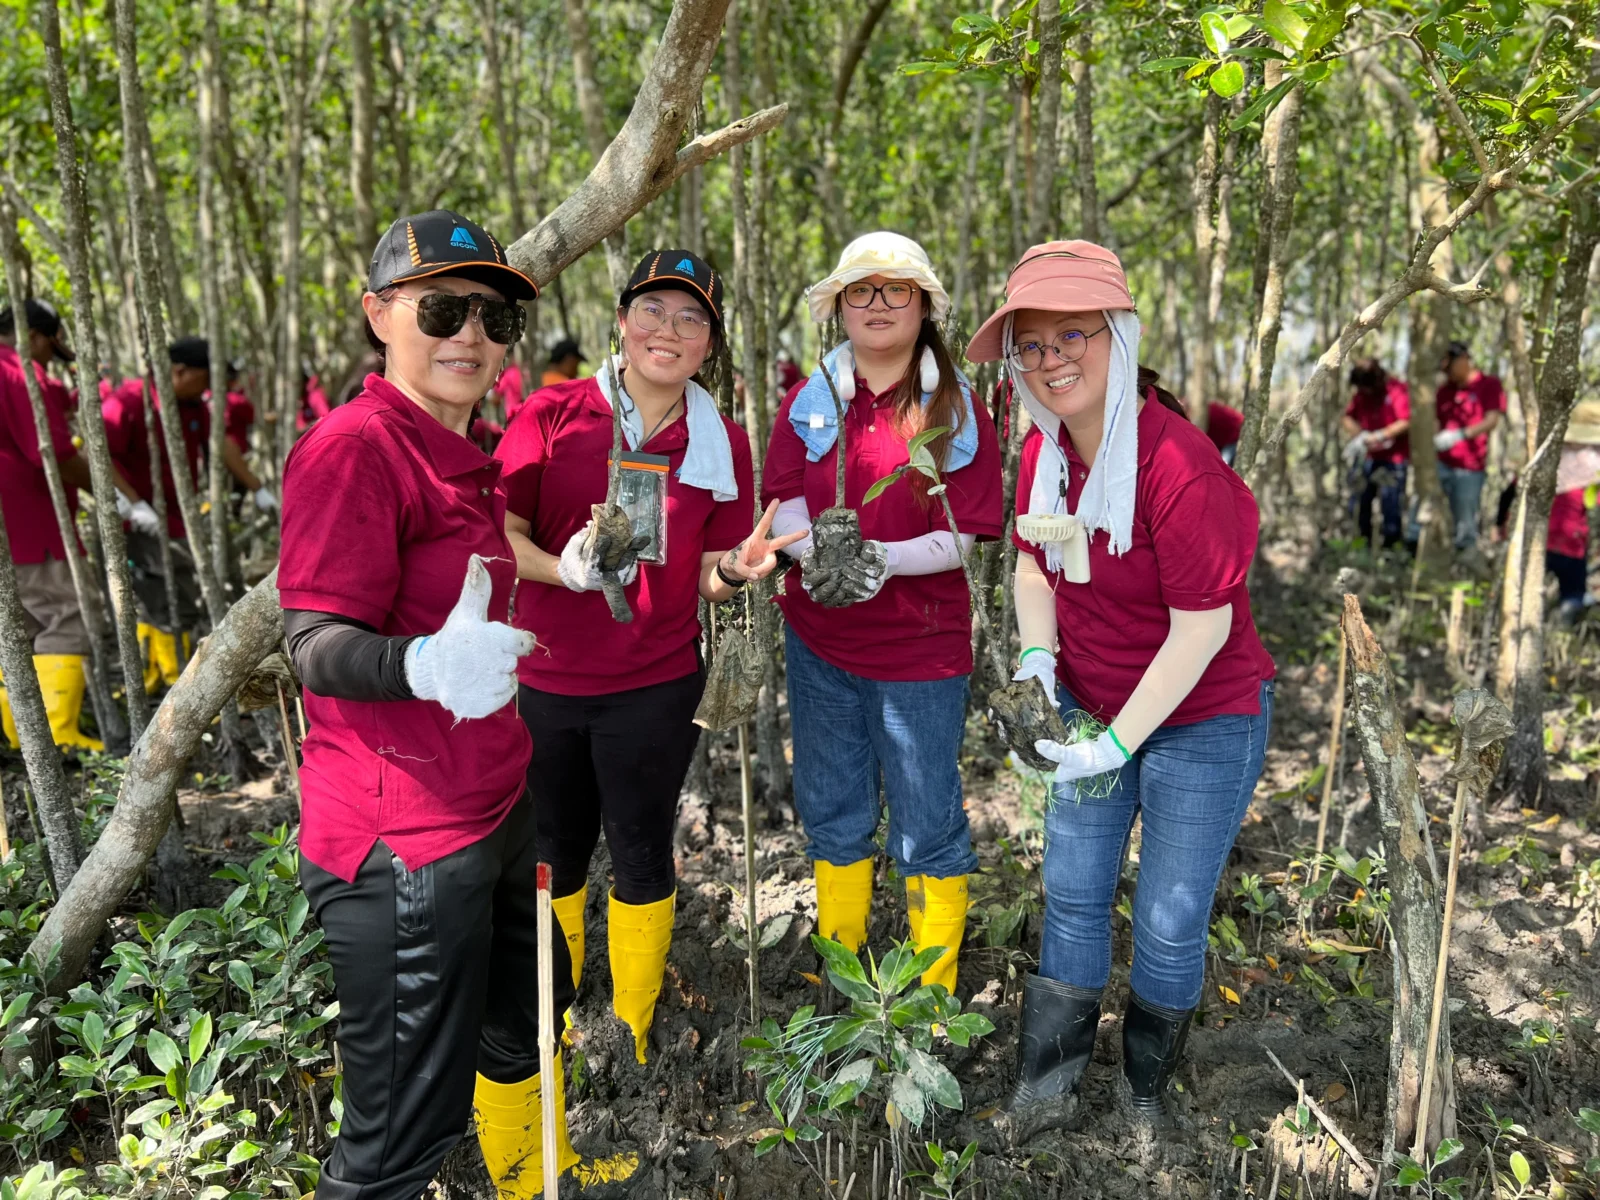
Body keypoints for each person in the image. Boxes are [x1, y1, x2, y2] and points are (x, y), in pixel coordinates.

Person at [280, 209, 636, 1200]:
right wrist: (424, 668)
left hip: (494, 803)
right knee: (399, 1136)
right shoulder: (354, 449)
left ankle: (528, 1175)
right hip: (404, 843)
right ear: (378, 316)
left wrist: (562, 568)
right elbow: (313, 644)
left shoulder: (457, 451)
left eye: (493, 319)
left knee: (524, 1020)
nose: (470, 336)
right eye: (442, 311)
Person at [967, 241, 1275, 1124]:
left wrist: (1112, 743)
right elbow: (1032, 563)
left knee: (1173, 915)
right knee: (1073, 886)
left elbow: (1203, 627)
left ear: (1119, 336)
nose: (1050, 359)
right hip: (1094, 704)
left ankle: (1145, 1097)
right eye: (1031, 344)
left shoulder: (1178, 466)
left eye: (1072, 335)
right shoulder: (1045, 451)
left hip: (1202, 718)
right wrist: (1038, 665)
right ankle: (1049, 1085)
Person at [496, 249, 799, 1065]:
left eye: (691, 317)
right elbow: (500, 534)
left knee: (639, 847)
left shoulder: (720, 439)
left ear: (710, 342)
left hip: (655, 685)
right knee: (551, 849)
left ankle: (631, 1025)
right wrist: (564, 566)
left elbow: (707, 567)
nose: (669, 330)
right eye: (653, 311)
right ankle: (552, 1017)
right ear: (622, 321)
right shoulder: (552, 413)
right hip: (543, 679)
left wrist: (734, 571)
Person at [763, 232, 1004, 992]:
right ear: (837, 307)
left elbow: (966, 531)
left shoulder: (954, 406)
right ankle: (845, 979)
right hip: (820, 639)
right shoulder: (811, 397)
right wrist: (815, 559)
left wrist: (884, 562)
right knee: (833, 808)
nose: (876, 305)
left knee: (928, 821)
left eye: (895, 291)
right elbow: (783, 496)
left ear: (924, 305)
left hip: (919, 652)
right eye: (860, 291)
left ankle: (931, 998)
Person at [0, 299, 137, 750]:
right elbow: (52, 451)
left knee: (17, 624)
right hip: (29, 522)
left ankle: (18, 733)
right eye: (45, 351)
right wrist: (112, 494)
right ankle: (55, 736)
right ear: (35, 336)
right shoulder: (20, 373)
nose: (45, 364)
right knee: (67, 613)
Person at [103, 337, 278, 689]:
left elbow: (220, 443)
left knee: (174, 588)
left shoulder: (194, 405)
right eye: (205, 379)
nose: (210, 389)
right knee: (164, 591)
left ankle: (161, 673)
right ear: (179, 372)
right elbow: (100, 453)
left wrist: (258, 488)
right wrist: (132, 502)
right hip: (138, 518)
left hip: (176, 515)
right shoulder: (128, 402)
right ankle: (170, 679)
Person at [1430, 340, 1506, 550]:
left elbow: (1492, 420)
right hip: (1442, 463)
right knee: (1426, 507)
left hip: (1470, 467)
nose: (1449, 374)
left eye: (1450, 368)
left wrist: (1461, 435)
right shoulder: (1445, 390)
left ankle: (1466, 559)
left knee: (1465, 517)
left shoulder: (1489, 384)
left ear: (1464, 360)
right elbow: (1436, 420)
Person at [1341, 358, 1411, 549]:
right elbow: (1347, 417)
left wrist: (1381, 435)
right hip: (1367, 459)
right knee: (1359, 504)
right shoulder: (1362, 393)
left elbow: (1406, 420)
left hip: (1393, 460)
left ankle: (1391, 551)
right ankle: (1362, 546)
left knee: (1391, 507)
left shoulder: (1397, 389)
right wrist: (1361, 435)